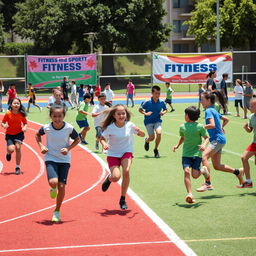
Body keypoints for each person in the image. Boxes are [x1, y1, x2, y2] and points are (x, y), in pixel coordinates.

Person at [35, 105, 80, 222]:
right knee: (53, 182)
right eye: (54, 116)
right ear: (51, 116)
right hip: (50, 157)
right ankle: (52, 188)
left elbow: (77, 139)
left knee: (61, 186)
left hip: (64, 160)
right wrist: (41, 146)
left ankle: (57, 211)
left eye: (60, 116)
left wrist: (68, 149)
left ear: (63, 116)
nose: (57, 118)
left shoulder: (69, 128)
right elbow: (37, 135)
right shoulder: (47, 128)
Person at [196, 91, 244, 192]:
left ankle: (208, 183)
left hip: (217, 139)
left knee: (204, 157)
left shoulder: (209, 111)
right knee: (217, 166)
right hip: (219, 139)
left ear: (209, 100)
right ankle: (237, 172)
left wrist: (201, 127)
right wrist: (221, 127)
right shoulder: (213, 110)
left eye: (202, 100)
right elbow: (226, 119)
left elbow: (212, 125)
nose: (200, 102)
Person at [100, 104, 145, 210]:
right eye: (119, 114)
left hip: (126, 152)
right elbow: (102, 138)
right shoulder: (110, 128)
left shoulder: (130, 125)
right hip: (113, 154)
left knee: (126, 170)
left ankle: (123, 199)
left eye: (123, 113)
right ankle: (109, 178)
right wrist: (104, 144)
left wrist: (139, 131)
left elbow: (142, 135)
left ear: (126, 114)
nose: (121, 115)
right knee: (116, 177)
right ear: (114, 115)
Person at [173, 106, 209, 203]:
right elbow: (182, 138)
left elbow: (206, 138)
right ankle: (189, 193)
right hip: (186, 154)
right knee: (186, 171)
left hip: (197, 153)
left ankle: (204, 170)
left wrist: (204, 145)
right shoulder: (182, 127)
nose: (184, 116)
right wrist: (177, 145)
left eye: (185, 114)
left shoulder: (200, 126)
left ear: (188, 116)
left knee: (195, 175)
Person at [139, 85, 167, 158]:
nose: (158, 95)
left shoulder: (161, 102)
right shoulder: (146, 102)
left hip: (157, 120)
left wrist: (163, 112)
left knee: (159, 133)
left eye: (159, 93)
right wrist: (145, 113)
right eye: (156, 93)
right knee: (152, 138)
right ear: (152, 93)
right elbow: (140, 109)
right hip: (148, 122)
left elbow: (165, 109)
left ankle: (155, 149)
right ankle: (147, 141)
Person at [1, 98, 27, 175]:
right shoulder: (8, 114)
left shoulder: (21, 114)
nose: (16, 105)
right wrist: (4, 125)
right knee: (11, 149)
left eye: (18, 103)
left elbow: (25, 123)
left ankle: (17, 167)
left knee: (18, 148)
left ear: (20, 105)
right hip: (9, 134)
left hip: (19, 133)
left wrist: (25, 127)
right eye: (14, 103)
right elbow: (2, 122)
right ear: (11, 104)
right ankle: (8, 153)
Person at [240, 98, 256, 188]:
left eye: (252, 106)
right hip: (254, 143)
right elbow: (250, 130)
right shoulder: (251, 117)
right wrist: (246, 128)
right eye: (250, 106)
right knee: (244, 158)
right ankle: (249, 181)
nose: (250, 107)